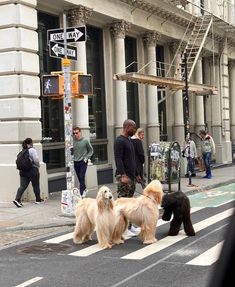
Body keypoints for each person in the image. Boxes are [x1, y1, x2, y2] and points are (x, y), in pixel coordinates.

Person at [114, 119, 140, 236]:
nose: (135, 130)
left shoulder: (129, 140)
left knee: (129, 204)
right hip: (124, 177)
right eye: (133, 128)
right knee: (122, 205)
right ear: (127, 127)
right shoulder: (119, 141)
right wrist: (123, 175)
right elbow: (118, 159)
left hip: (131, 176)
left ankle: (128, 226)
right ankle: (122, 229)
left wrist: (137, 174)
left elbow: (132, 159)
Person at [13, 138, 44, 207]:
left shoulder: (23, 151)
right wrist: (38, 165)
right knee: (36, 185)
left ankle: (17, 199)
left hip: (23, 171)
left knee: (22, 186)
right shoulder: (32, 150)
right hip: (32, 171)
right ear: (31, 143)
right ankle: (38, 200)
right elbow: (36, 159)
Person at [73, 127, 94, 198]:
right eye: (74, 133)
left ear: (80, 132)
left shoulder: (85, 141)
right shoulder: (73, 142)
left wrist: (87, 158)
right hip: (75, 161)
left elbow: (91, 150)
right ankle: (84, 189)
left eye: (77, 133)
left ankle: (81, 193)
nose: (75, 134)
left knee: (82, 176)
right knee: (79, 177)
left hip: (83, 161)